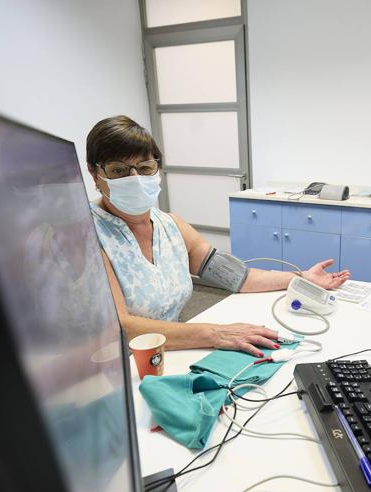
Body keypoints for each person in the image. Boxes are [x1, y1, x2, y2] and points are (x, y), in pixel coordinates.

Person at [86, 116, 350, 357]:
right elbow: (122, 327)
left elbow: (238, 277)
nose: (134, 178)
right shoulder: (85, 234)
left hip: (173, 352)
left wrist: (301, 278)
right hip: (118, 371)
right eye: (118, 170)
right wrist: (216, 333)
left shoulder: (171, 226)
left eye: (144, 167)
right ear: (94, 174)